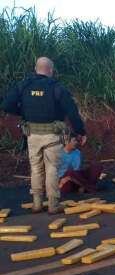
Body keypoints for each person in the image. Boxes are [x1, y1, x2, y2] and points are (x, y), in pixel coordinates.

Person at [1, 57, 86, 214]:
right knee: (52, 168)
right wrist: (81, 132)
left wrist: (23, 112)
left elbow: (6, 105)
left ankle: (37, 203)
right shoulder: (57, 87)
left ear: (36, 68)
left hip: (32, 135)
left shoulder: (24, 85)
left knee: (36, 168)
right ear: (51, 70)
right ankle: (53, 204)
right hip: (52, 135)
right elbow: (72, 111)